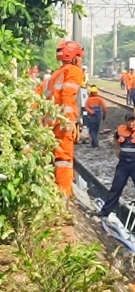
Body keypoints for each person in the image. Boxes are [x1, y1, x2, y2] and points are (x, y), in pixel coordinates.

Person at [35, 41, 84, 197]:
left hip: (48, 123)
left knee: (50, 160)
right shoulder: (74, 71)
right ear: (75, 57)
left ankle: (49, 194)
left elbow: (37, 97)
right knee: (64, 161)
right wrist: (69, 121)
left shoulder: (53, 76)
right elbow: (68, 97)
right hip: (62, 123)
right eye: (80, 56)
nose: (81, 60)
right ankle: (62, 199)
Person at [98, 113, 135, 222]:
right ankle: (105, 212)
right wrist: (116, 150)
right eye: (129, 121)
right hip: (123, 165)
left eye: (133, 120)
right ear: (125, 122)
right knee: (116, 188)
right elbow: (116, 138)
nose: (131, 123)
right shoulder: (120, 130)